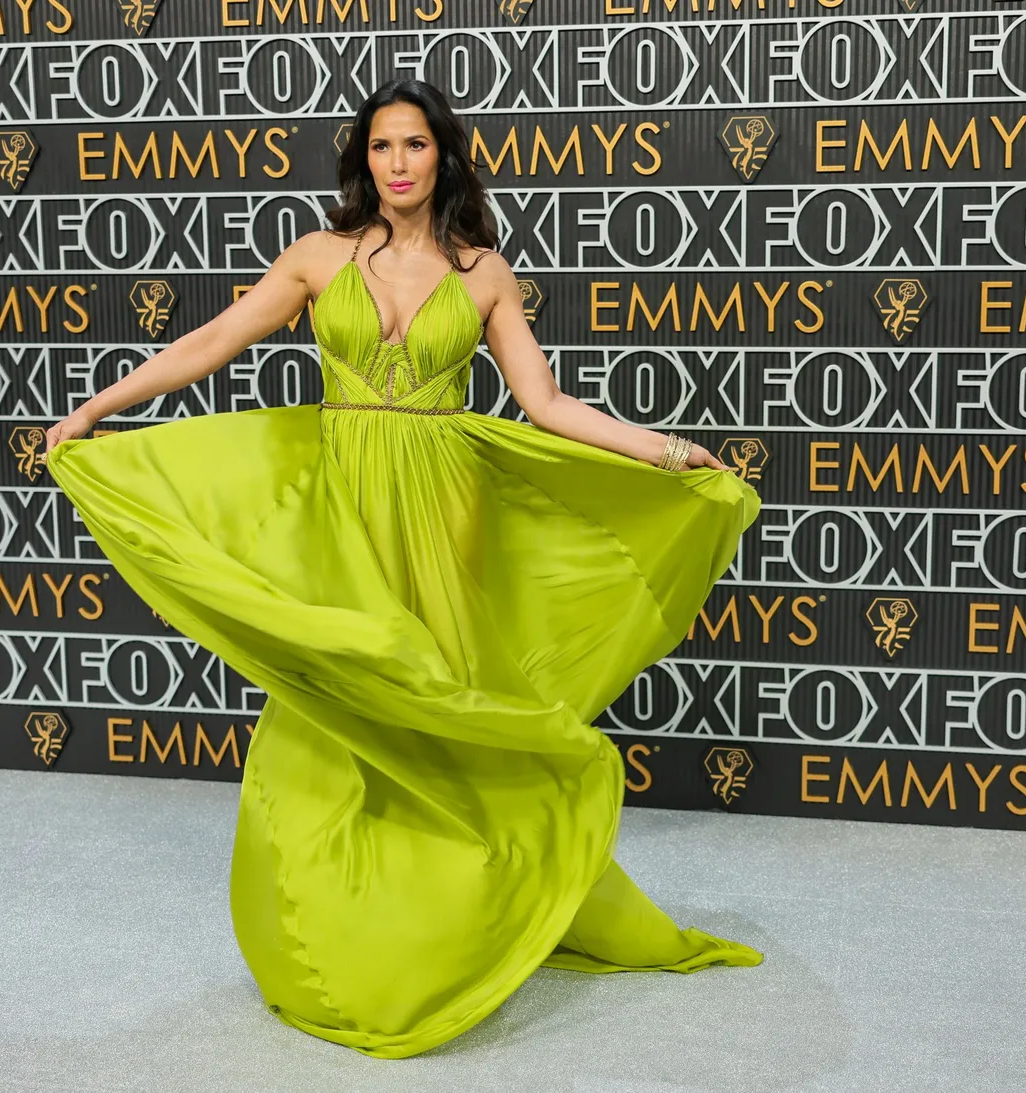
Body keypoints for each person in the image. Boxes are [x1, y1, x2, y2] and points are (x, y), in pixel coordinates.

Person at [41, 78, 763, 1059]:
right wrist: (95, 409)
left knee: (438, 703)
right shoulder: (315, 257)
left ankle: (461, 910)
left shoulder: (483, 273)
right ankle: (331, 933)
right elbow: (211, 341)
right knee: (338, 703)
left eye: (413, 145)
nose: (395, 163)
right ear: (362, 160)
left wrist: (664, 451)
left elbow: (545, 406)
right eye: (379, 146)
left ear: (442, 158)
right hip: (344, 510)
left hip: (445, 510)